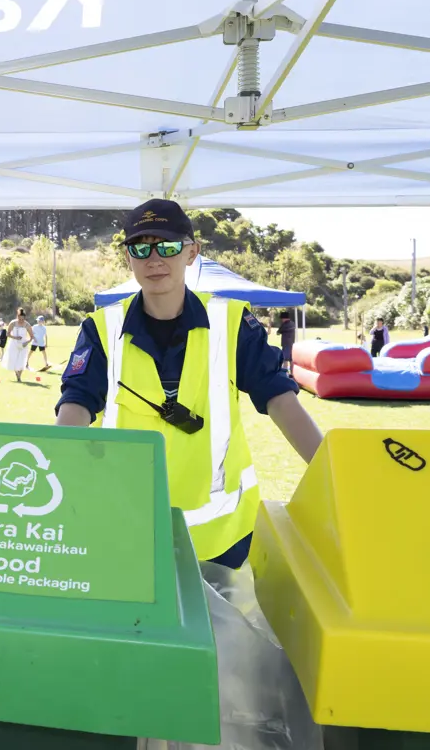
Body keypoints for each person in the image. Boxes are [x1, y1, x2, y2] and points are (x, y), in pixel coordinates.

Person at [55, 199, 323, 569]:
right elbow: (77, 402)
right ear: (128, 258)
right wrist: (54, 469)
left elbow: (279, 397)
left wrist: (330, 469)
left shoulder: (231, 321)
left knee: (223, 628)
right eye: (140, 248)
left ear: (192, 252)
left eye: (167, 246)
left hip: (221, 539)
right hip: (127, 531)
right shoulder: (101, 328)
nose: (154, 259)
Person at [2, 307, 33, 382]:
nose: (21, 321)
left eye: (23, 319)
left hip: (23, 344)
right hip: (13, 343)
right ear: (18, 317)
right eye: (20, 319)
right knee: (13, 359)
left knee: (22, 360)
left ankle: (19, 376)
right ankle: (17, 375)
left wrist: (27, 342)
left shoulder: (27, 325)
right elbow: (8, 334)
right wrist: (15, 337)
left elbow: (31, 337)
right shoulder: (13, 323)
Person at [277, 310, 296, 376]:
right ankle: (292, 373)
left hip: (286, 344)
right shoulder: (293, 324)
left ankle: (284, 374)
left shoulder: (284, 325)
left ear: (284, 318)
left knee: (285, 359)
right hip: (292, 343)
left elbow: (278, 332)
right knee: (291, 360)